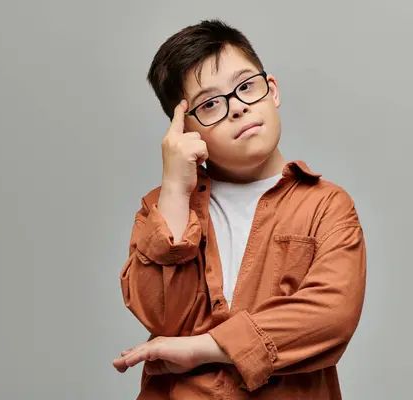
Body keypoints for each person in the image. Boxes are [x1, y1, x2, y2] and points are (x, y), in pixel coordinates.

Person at [112, 19, 366, 399]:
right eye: (211, 104)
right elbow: (160, 316)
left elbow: (331, 316)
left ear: (273, 90)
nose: (238, 109)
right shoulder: (161, 208)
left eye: (247, 86)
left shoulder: (326, 205)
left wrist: (203, 348)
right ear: (183, 130)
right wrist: (175, 189)